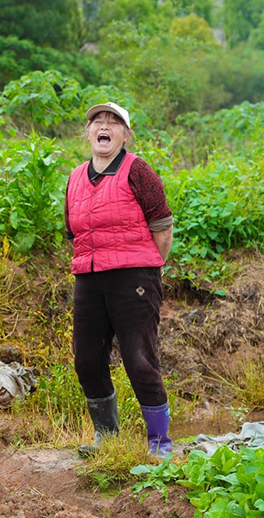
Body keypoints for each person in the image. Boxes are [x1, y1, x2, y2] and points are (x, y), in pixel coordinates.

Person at [65, 102, 174, 457]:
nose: (104, 126)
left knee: (139, 358)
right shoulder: (76, 177)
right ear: (88, 132)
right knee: (87, 360)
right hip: (90, 276)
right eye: (98, 121)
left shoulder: (137, 170)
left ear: (126, 134)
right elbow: (73, 231)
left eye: (114, 122)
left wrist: (150, 267)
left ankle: (159, 443)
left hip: (134, 277)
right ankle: (106, 438)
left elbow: (162, 225)